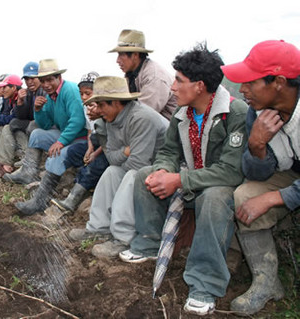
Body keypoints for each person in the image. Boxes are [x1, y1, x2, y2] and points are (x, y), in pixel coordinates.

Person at [119, 44, 248, 316]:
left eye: (179, 80)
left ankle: (205, 282)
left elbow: (230, 171)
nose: (173, 87)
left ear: (200, 86)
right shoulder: (182, 113)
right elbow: (168, 152)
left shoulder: (235, 114)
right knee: (146, 175)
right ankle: (150, 243)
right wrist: (164, 171)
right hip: (189, 182)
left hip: (218, 188)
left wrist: (179, 180)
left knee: (214, 197)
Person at [221, 40, 300, 316]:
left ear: (278, 81)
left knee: (261, 198)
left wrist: (275, 197)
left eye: (249, 82)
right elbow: (257, 173)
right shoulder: (256, 111)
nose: (241, 90)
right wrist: (257, 146)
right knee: (245, 194)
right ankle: (266, 282)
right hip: (292, 174)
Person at [68, 76, 168, 257]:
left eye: (100, 105)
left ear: (115, 103)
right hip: (141, 164)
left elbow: (138, 164)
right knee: (111, 172)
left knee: (131, 176)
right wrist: (126, 151)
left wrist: (124, 154)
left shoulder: (140, 118)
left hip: (163, 169)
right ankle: (98, 227)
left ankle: (123, 237)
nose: (97, 110)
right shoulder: (111, 119)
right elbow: (112, 159)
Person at [4, 59, 87, 216]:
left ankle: (40, 201)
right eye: (43, 81)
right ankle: (29, 171)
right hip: (67, 134)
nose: (46, 84)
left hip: (81, 138)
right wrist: (38, 110)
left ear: (58, 78)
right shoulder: (50, 96)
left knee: (57, 153)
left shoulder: (69, 90)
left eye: (50, 80)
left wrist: (60, 142)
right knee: (36, 134)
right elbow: (46, 124)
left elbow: (78, 121)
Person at [51, 71, 110, 213]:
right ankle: (55, 186)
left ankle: (72, 200)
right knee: (73, 151)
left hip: (108, 147)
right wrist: (89, 149)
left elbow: (110, 140)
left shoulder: (107, 107)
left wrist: (94, 154)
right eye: (81, 93)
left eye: (88, 93)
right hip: (96, 143)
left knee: (97, 163)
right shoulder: (86, 108)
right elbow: (91, 132)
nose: (84, 97)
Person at [0, 62, 46, 176]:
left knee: (22, 124)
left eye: (32, 78)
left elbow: (42, 117)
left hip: (44, 125)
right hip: (33, 124)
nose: (29, 81)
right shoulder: (27, 93)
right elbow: (22, 116)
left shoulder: (44, 91)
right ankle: (3, 162)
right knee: (12, 124)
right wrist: (20, 103)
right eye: (26, 78)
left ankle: (15, 160)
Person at [109, 29, 177, 120]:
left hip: (166, 128)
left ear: (135, 55)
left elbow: (144, 115)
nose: (117, 60)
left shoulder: (154, 77)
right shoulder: (131, 75)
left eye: (121, 55)